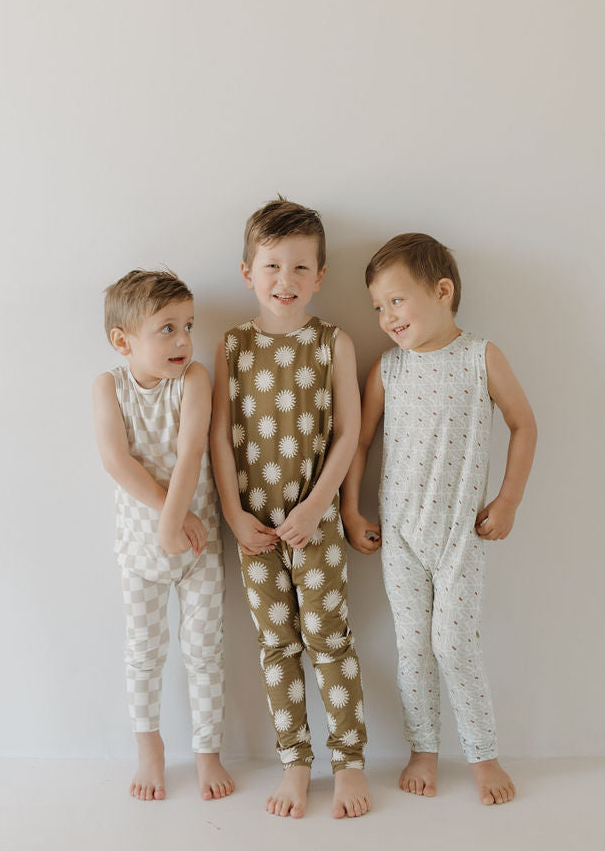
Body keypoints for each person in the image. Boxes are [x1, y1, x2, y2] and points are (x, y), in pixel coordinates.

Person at [341, 233, 537, 807]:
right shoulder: (388, 370)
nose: (386, 317)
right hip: (401, 534)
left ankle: (483, 754)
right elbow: (359, 441)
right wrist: (351, 509)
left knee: (453, 644)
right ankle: (422, 749)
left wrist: (508, 500)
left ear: (442, 291)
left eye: (396, 300)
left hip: (460, 535)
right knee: (413, 648)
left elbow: (524, 424)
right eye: (378, 307)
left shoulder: (481, 357)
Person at [211, 197, 371, 820]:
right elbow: (219, 438)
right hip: (255, 526)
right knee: (276, 645)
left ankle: (349, 761)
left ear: (320, 276)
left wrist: (316, 508)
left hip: (316, 523)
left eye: (301, 267)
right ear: (248, 272)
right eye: (272, 266)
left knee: (330, 640)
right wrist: (234, 514)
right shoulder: (232, 346)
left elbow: (349, 433)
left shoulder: (334, 343)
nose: (286, 280)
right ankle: (295, 763)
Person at [93, 268, 233, 803]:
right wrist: (167, 517)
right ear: (123, 340)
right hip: (140, 549)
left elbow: (193, 449)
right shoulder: (109, 387)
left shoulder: (194, 379)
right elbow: (116, 461)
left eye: (188, 326)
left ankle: (207, 752)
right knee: (144, 652)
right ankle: (149, 748)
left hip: (198, 547)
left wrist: (178, 524)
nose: (182, 340)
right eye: (167, 328)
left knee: (204, 650)